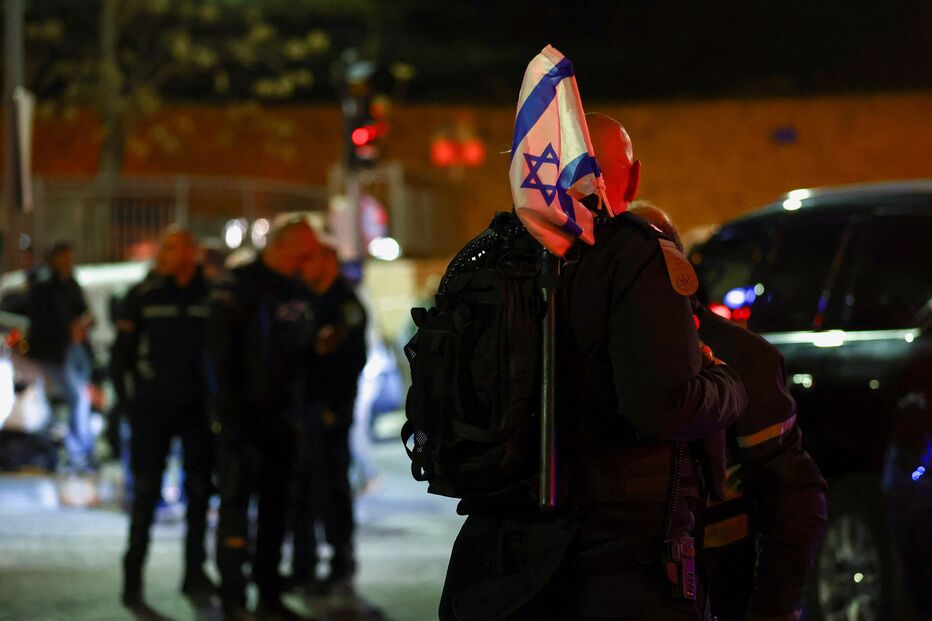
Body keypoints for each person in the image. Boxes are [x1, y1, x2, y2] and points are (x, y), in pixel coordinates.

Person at [439, 113, 748, 620]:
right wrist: (726, 382)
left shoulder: (488, 257)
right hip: (617, 560)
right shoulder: (633, 254)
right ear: (634, 175)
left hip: (498, 555)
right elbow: (665, 406)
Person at [629, 202, 828, 621]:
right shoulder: (592, 360)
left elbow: (792, 501)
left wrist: (771, 610)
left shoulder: (743, 359)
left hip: (718, 589)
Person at [207, 217, 322, 620]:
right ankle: (233, 597)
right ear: (285, 245)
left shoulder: (295, 289)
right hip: (244, 419)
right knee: (236, 507)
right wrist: (231, 419)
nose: (310, 257)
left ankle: (268, 593)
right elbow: (221, 360)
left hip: (283, 419)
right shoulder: (240, 286)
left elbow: (298, 351)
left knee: (276, 509)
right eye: (305, 249)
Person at [110, 227, 216, 607]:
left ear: (194, 253)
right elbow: (120, 357)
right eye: (169, 248)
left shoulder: (211, 295)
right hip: (153, 411)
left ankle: (195, 574)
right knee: (146, 494)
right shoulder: (143, 296)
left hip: (198, 411)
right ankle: (133, 579)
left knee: (200, 494)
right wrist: (131, 404)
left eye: (181, 248)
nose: (173, 255)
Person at [291, 245, 368, 593]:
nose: (303, 265)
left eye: (310, 258)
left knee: (331, 487)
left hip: (328, 412)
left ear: (328, 262)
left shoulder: (345, 305)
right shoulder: (303, 299)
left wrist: (333, 408)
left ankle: (341, 561)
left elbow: (350, 361)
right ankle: (303, 564)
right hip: (302, 409)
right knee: (301, 489)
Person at [26, 241, 95, 472]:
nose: (67, 262)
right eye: (63, 257)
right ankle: (78, 450)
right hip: (53, 352)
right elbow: (41, 321)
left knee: (81, 396)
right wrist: (68, 328)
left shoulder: (71, 284)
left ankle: (81, 449)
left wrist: (83, 323)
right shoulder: (45, 287)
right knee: (77, 398)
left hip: (74, 349)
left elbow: (84, 311)